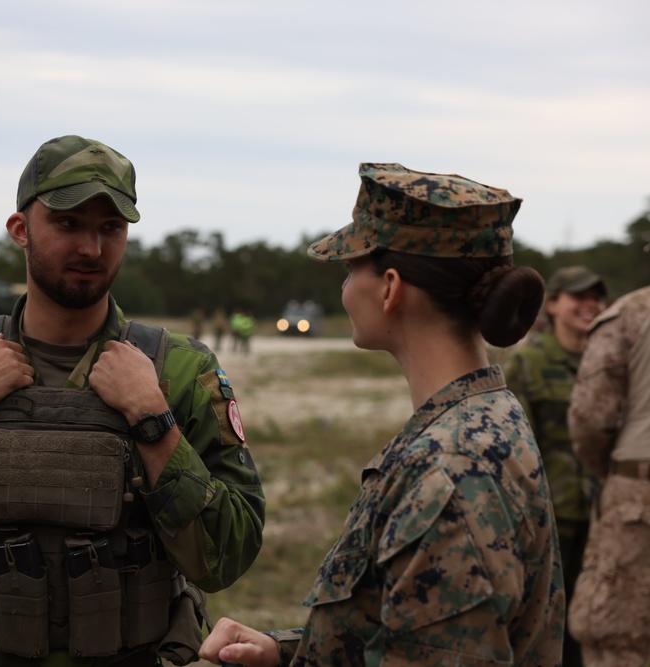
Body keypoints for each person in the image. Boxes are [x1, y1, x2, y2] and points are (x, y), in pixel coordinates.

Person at [0, 135, 266, 667]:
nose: (91, 249)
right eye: (68, 224)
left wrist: (154, 423)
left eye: (110, 228)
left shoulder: (179, 370)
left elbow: (228, 556)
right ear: (21, 230)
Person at [198, 162, 565, 666]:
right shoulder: (478, 417)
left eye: (351, 269)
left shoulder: (450, 471)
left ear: (390, 287)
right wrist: (289, 654)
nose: (344, 288)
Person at [502, 264, 606, 667]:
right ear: (555, 305)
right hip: (551, 516)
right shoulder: (529, 363)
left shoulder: (609, 360)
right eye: (579, 297)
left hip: (600, 513)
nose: (590, 305)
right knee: (546, 617)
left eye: (596, 297)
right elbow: (517, 448)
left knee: (591, 615)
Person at [567, 285, 650, 666]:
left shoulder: (631, 313)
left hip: (638, 499)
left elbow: (590, 418)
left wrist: (616, 476)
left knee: (615, 634)